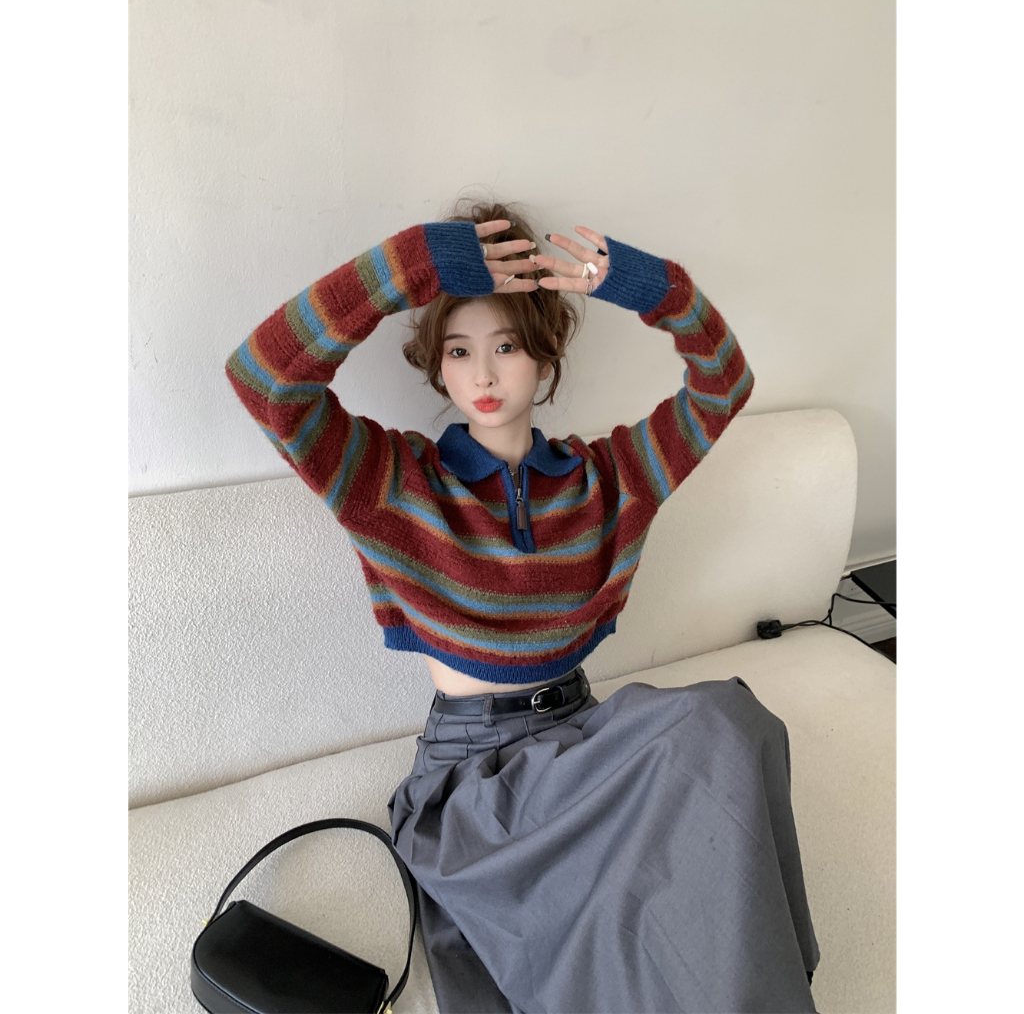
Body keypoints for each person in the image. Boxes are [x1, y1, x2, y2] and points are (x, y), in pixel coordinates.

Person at [226, 198, 820, 1013]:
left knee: (729, 725)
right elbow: (264, 376)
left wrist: (649, 287)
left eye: (506, 346)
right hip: (473, 783)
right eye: (459, 350)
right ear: (437, 366)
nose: (482, 374)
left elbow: (725, 386)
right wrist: (417, 261)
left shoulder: (609, 479)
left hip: (584, 746)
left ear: (544, 359)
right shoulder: (393, 483)